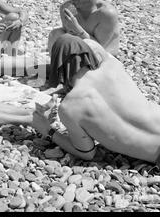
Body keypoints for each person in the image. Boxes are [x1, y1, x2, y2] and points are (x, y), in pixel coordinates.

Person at [33, 34, 160, 165]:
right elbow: (96, 48)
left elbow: (87, 153)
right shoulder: (112, 66)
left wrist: (48, 130)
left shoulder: (69, 108)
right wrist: (82, 43)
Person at [47, 0, 120, 56]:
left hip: (106, 59)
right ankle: (57, 67)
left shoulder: (106, 14)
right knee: (56, 34)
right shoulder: (67, 8)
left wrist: (78, 30)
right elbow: (69, 40)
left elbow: (99, 49)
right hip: (82, 53)